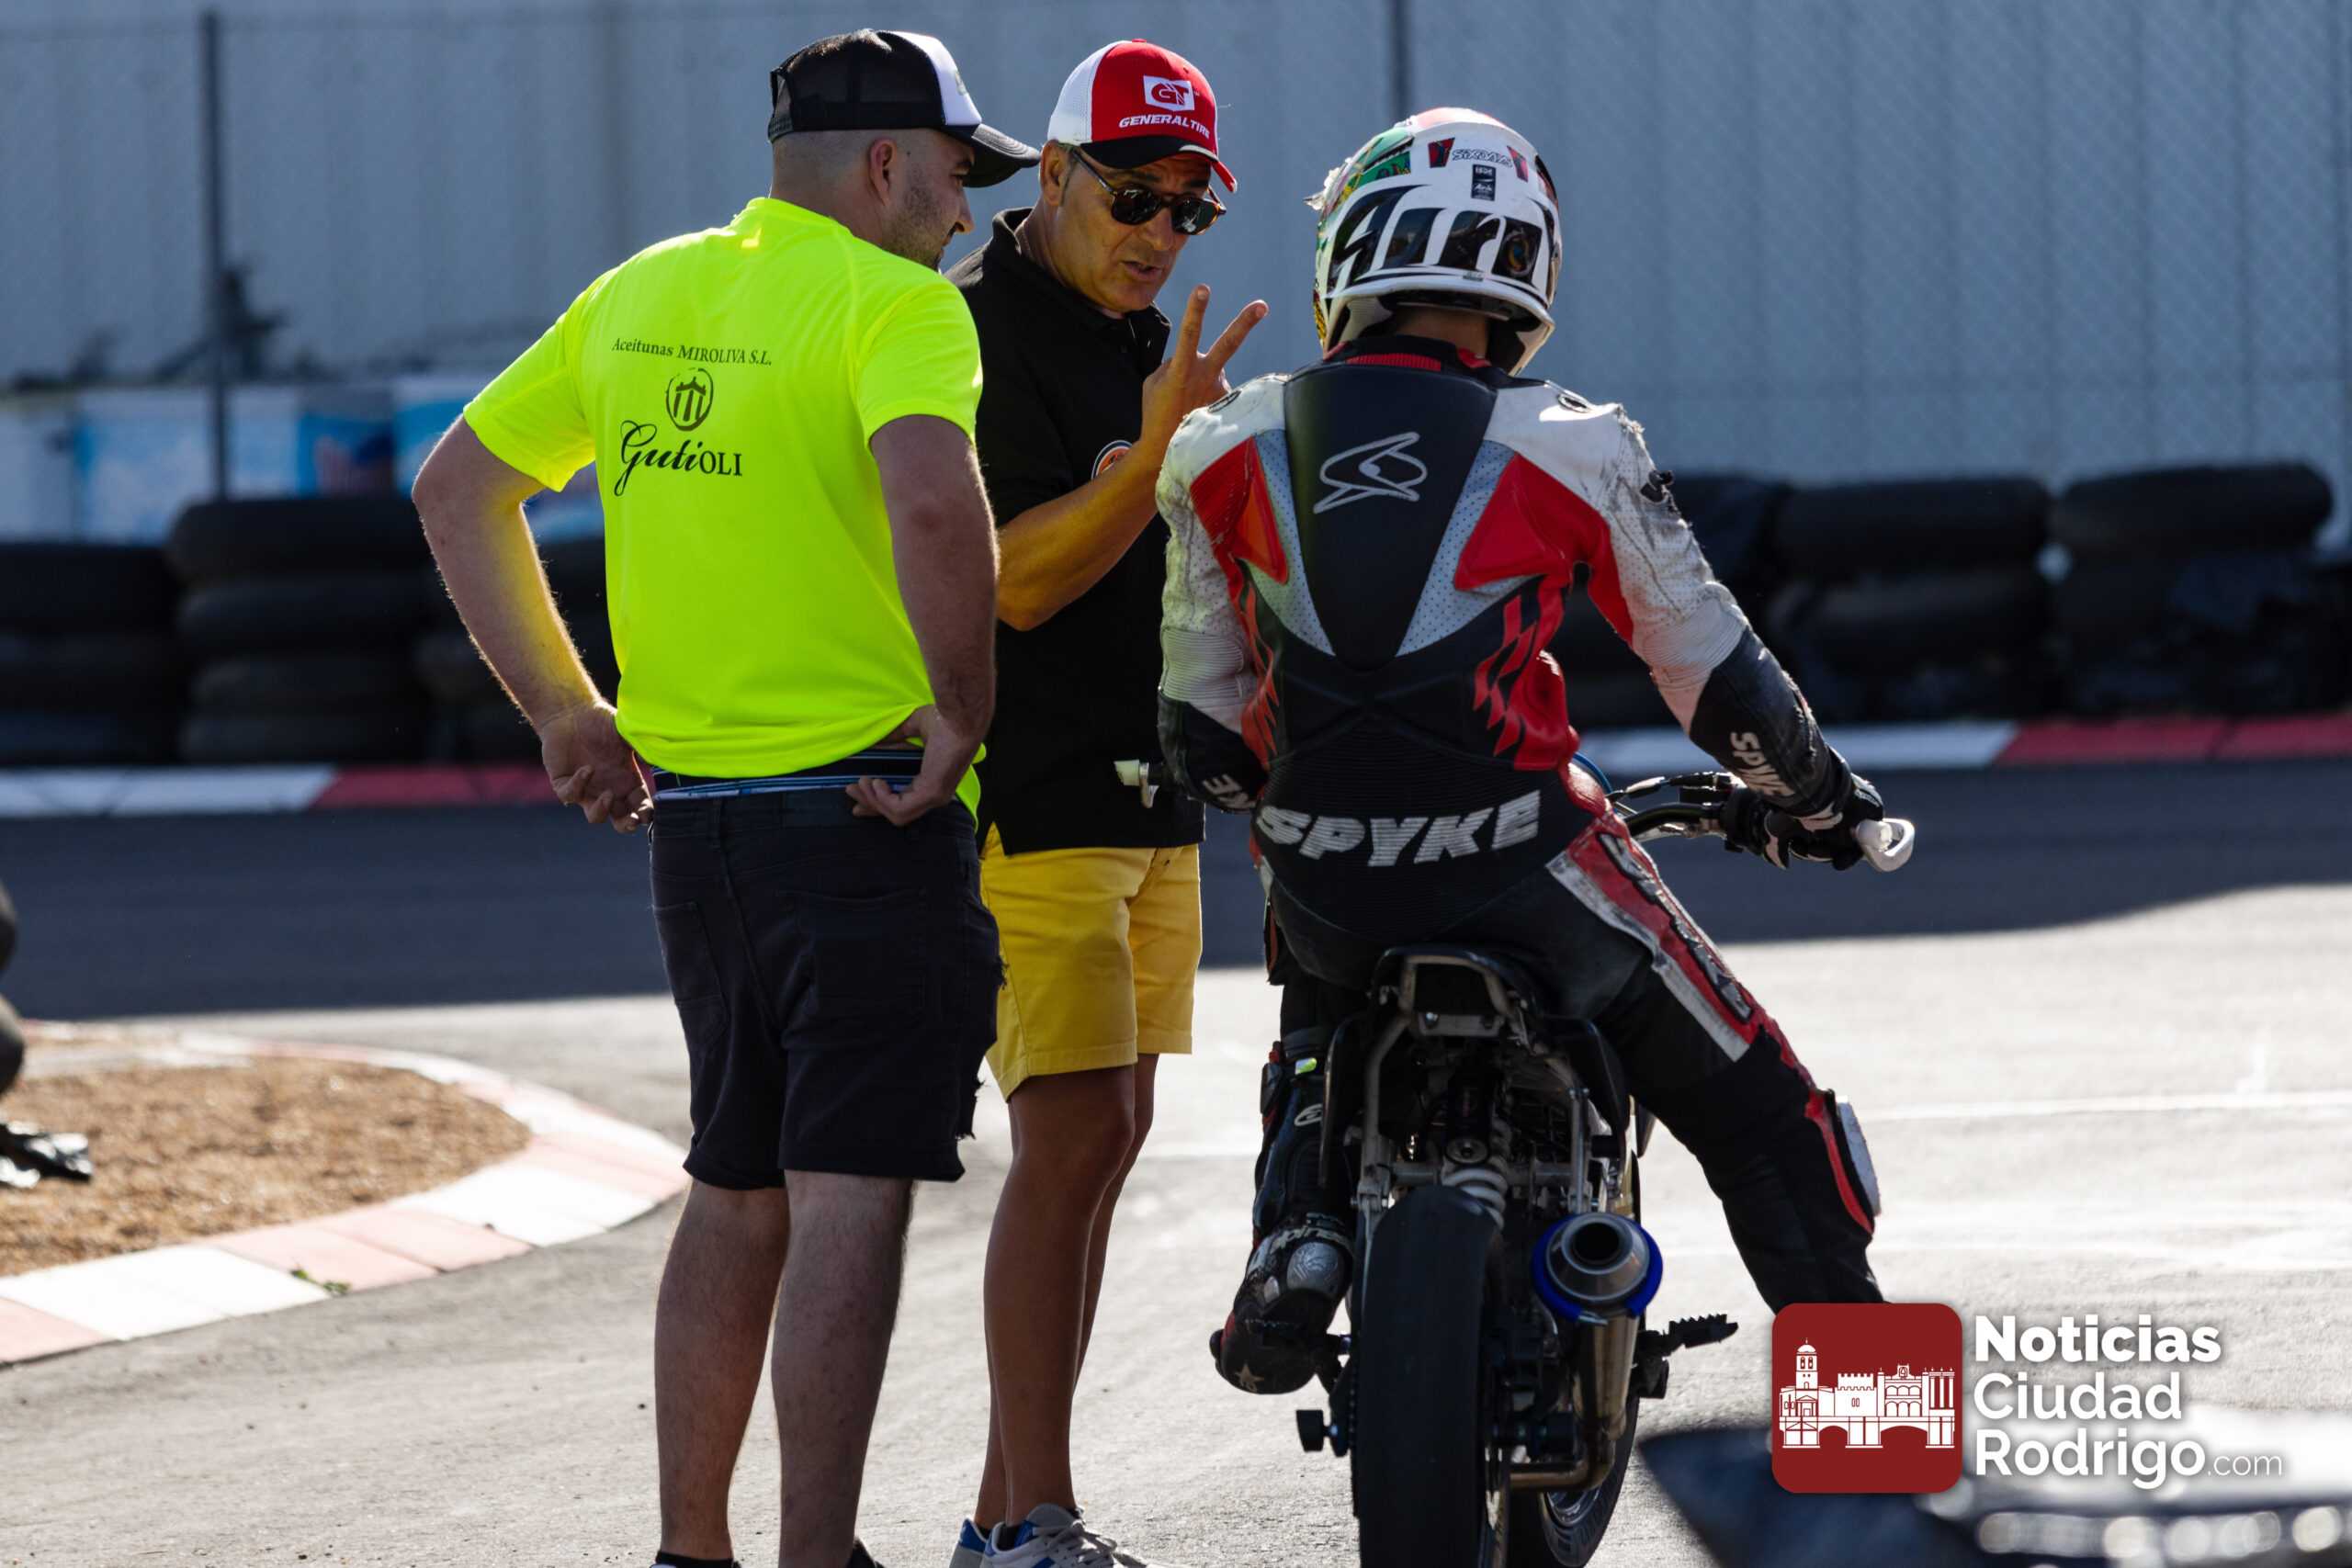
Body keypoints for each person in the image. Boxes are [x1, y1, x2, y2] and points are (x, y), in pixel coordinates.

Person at [410, 29, 1035, 1568]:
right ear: (886, 165)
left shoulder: (641, 293)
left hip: (692, 828)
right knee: (847, 1195)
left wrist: (567, 712)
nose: (968, 210)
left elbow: (458, 488)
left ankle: (692, 1552)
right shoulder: (898, 306)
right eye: (958, 173)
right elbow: (933, 498)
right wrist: (965, 714)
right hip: (865, 812)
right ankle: (818, 1556)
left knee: (735, 1184)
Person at [1152, 109, 1892, 1399]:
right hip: (1534, 874)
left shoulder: (1217, 444)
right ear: (1526, 270)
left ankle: (1299, 1234)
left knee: (1309, 981)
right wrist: (1819, 799)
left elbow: (1201, 734)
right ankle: (1883, 1449)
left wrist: (1323, 813)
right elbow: (1721, 690)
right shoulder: (1575, 438)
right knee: (1776, 1128)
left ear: (1353, 255)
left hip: (1326, 891)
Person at [939, 38, 1264, 1568]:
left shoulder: (1140, 342)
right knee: (1064, 1137)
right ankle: (1031, 1522)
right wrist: (1158, 449)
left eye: (1190, 209)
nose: (1161, 233)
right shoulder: (974, 332)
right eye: (1135, 197)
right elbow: (1011, 580)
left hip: (1146, 790)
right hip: (1031, 790)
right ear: (1057, 175)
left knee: (1110, 1133)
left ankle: (1005, 1519)